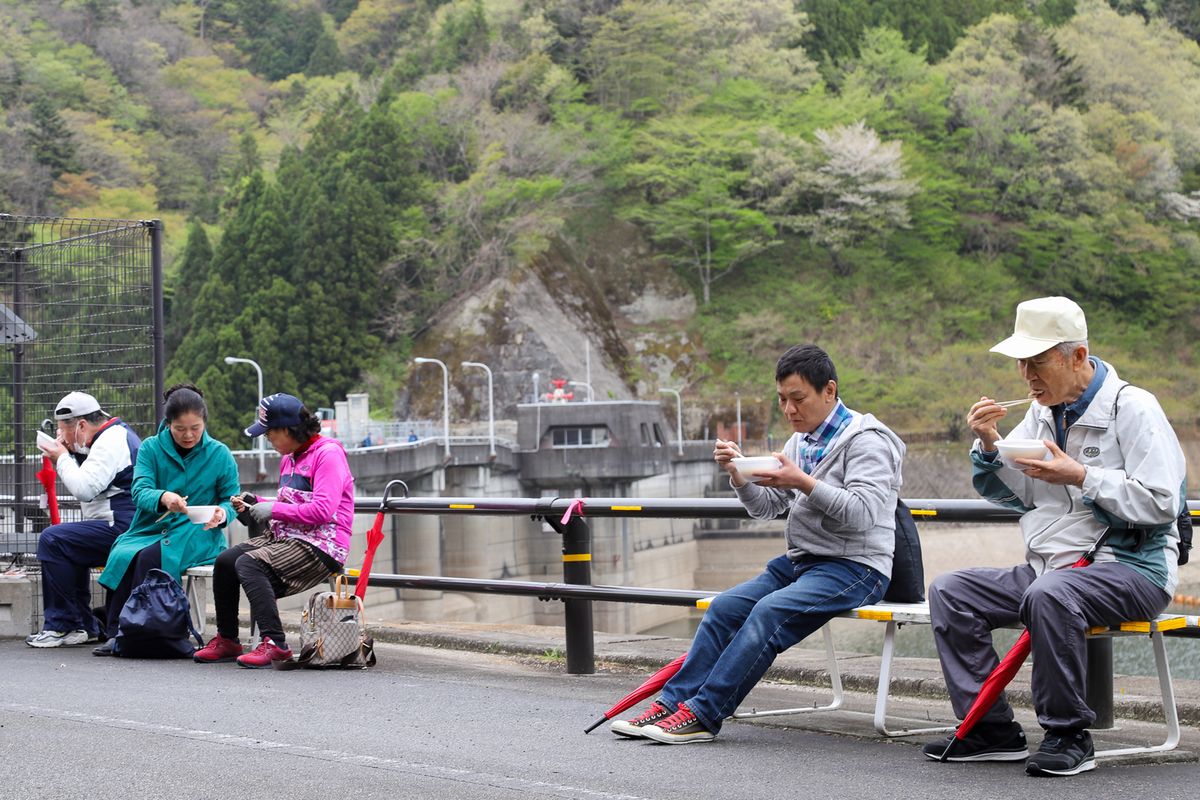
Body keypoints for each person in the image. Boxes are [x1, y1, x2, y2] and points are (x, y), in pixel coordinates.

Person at [923, 296, 1187, 777]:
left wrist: (1081, 475)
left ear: (1078, 357)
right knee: (951, 591)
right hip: (1053, 566)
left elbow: (1163, 503)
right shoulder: (1042, 413)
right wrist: (989, 444)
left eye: (1037, 361)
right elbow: (1018, 495)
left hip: (1131, 568)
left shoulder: (1134, 408)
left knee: (1050, 594)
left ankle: (1068, 733)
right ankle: (991, 730)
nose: (1026, 375)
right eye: (1022, 362)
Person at [612, 344, 905, 743]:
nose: (789, 410)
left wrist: (801, 481)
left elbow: (862, 513)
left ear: (830, 391)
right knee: (725, 608)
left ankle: (702, 714)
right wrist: (739, 476)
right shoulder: (800, 442)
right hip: (802, 563)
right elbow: (766, 508)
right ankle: (673, 702)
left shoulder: (868, 441)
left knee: (769, 612)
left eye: (798, 399)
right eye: (782, 400)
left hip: (856, 567)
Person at [193, 393, 355, 669]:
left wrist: (274, 510)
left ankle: (275, 644)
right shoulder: (289, 457)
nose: (268, 439)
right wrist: (258, 503)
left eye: (270, 434)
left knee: (249, 563)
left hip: (322, 545)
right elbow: (289, 502)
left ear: (287, 429)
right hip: (288, 537)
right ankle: (228, 639)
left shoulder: (328, 455)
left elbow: (322, 511)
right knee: (225, 561)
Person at [93, 384, 239, 656]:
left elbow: (231, 499)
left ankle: (145, 631)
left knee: (149, 556)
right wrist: (163, 497)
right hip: (151, 526)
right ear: (168, 423)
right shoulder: (150, 448)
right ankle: (118, 631)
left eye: (195, 428)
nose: (189, 435)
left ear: (204, 421)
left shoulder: (220, 453)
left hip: (199, 532)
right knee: (124, 553)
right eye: (180, 428)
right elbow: (139, 490)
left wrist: (222, 514)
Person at [26, 392, 141, 648]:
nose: (60, 436)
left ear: (80, 425)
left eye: (62, 430)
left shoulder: (111, 440)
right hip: (122, 525)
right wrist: (71, 453)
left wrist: (62, 458)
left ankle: (63, 625)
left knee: (53, 539)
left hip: (124, 527)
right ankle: (81, 625)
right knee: (66, 542)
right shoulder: (111, 435)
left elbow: (85, 488)